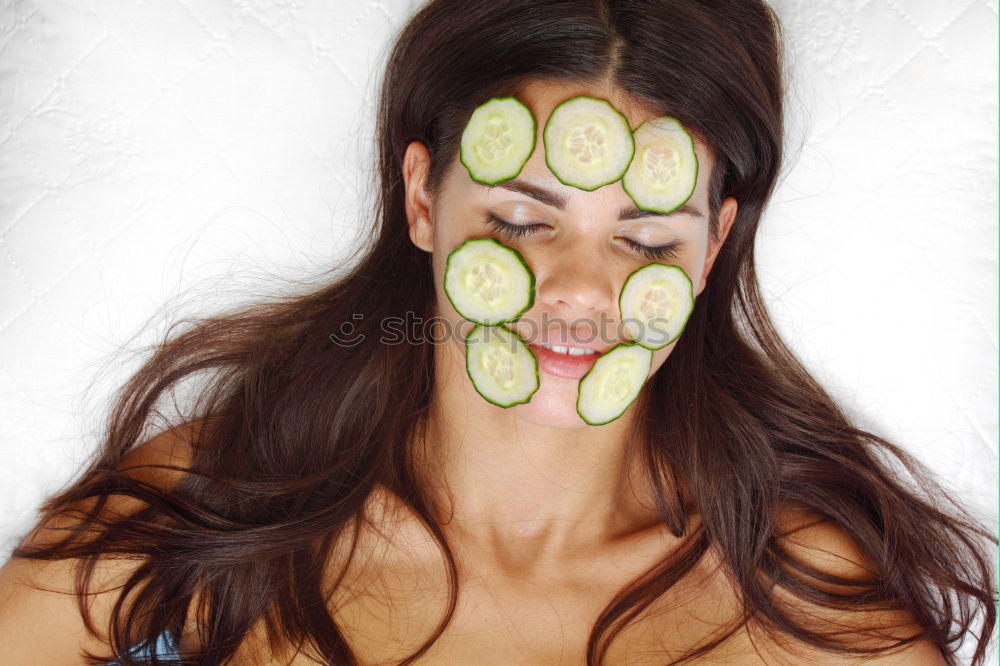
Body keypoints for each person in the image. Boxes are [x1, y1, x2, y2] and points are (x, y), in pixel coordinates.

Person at [0, 0, 995, 664]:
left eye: (644, 241)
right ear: (423, 199)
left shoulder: (807, 601)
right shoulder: (206, 518)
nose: (575, 292)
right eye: (520, 222)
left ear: (709, 247)